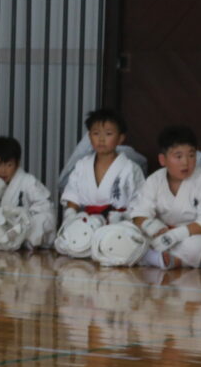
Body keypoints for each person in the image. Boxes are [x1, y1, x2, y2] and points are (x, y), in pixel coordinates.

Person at [54, 109, 145, 259]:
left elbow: (140, 202)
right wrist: (70, 216)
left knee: (121, 247)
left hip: (119, 223)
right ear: (89, 136)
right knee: (68, 243)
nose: (101, 139)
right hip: (87, 223)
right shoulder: (82, 165)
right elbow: (72, 194)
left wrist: (125, 219)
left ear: (120, 138)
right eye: (96, 133)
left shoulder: (130, 168)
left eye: (108, 134)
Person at [130, 125, 201, 268]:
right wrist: (152, 227)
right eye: (178, 156)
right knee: (127, 234)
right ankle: (155, 257)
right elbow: (139, 213)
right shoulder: (154, 180)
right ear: (163, 159)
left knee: (198, 247)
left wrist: (175, 235)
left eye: (191, 155)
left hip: (191, 237)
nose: (186, 162)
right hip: (159, 236)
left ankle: (166, 260)